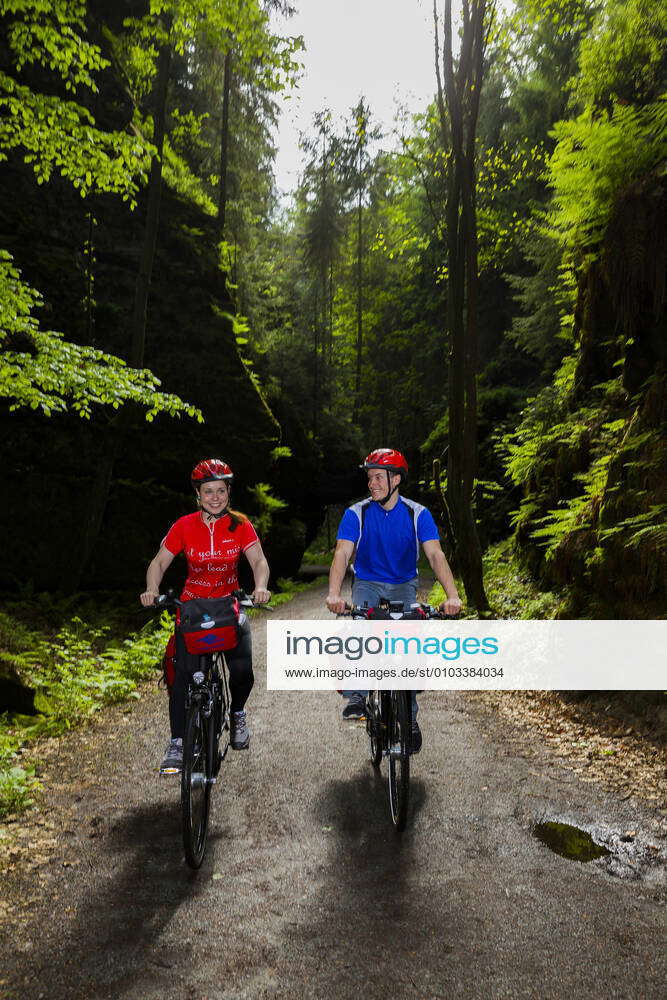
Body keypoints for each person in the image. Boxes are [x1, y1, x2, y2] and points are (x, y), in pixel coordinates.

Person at [325, 448, 462, 753]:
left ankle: (410, 719)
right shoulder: (356, 514)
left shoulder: (418, 514)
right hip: (368, 583)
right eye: (369, 477)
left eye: (378, 477)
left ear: (396, 479)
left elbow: (435, 555)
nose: (372, 483)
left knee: (409, 645)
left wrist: (452, 595)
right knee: (362, 629)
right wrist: (334, 593)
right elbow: (342, 554)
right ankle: (358, 695)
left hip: (403, 584)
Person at [140, 458, 271, 773]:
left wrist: (261, 587)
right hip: (192, 607)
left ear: (228, 492)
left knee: (242, 670)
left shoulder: (240, 524)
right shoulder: (183, 526)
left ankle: (237, 713)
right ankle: (178, 742)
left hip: (229, 604)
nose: (215, 497)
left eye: (221, 490)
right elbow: (158, 563)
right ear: (198, 494)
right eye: (208, 491)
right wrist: (151, 588)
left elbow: (259, 562)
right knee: (183, 676)